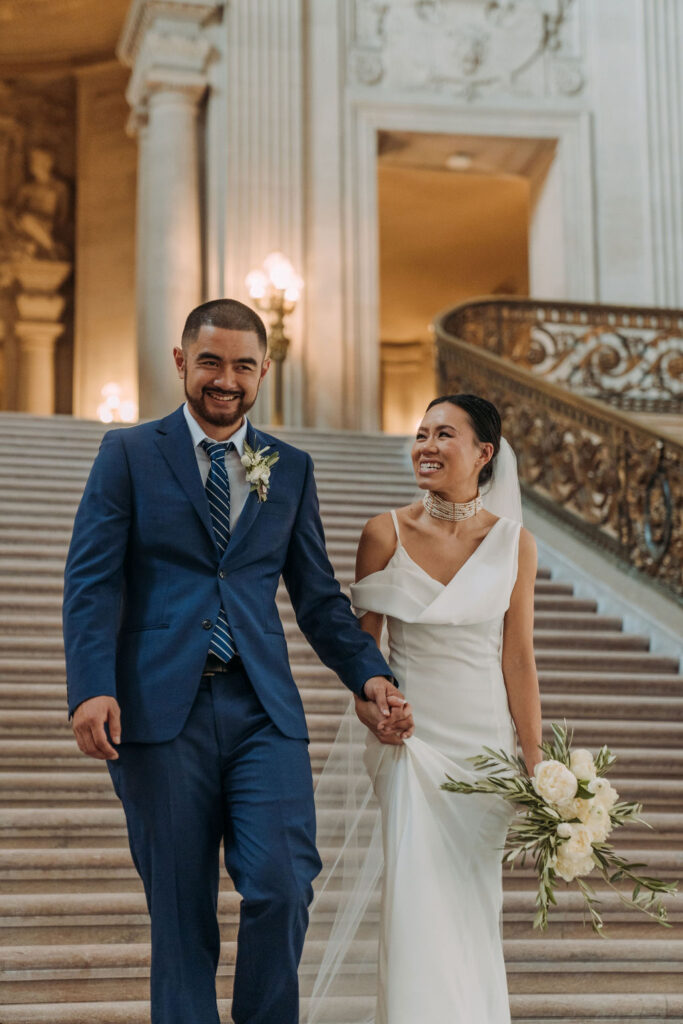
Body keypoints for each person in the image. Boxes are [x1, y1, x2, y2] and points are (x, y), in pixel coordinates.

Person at [62, 298, 413, 1024]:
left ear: (263, 372)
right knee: (181, 914)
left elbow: (317, 599)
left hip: (263, 712)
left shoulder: (288, 468)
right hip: (160, 715)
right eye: (212, 362)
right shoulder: (128, 454)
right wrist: (91, 687)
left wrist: (370, 673)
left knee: (282, 884)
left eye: (243, 366)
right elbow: (92, 582)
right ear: (181, 361)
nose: (226, 380)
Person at [304, 393, 543, 1024]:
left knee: (471, 912)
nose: (426, 446)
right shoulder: (383, 532)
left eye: (444, 435)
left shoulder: (517, 544)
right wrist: (376, 714)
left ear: (483, 453)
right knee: (413, 910)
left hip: (484, 754)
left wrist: (537, 764)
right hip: (411, 745)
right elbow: (362, 657)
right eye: (420, 434)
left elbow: (518, 660)